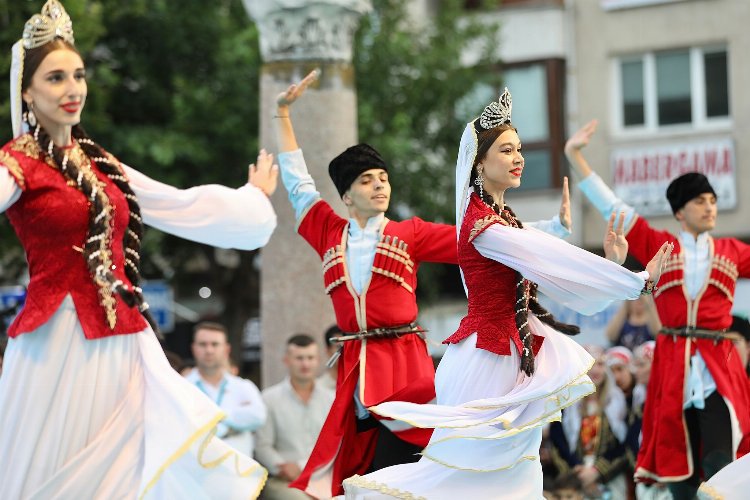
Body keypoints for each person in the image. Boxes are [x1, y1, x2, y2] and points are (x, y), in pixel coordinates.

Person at [0, 2, 277, 497]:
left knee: (135, 467)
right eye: (56, 78)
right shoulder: (18, 163)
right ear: (27, 92)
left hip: (123, 337)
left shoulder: (101, 164)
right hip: (57, 341)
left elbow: (179, 205)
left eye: (79, 75)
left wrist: (250, 201)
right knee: (53, 476)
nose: (73, 89)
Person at [340, 88, 672, 499]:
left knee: (513, 474)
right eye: (506, 150)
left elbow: (547, 261)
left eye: (519, 149)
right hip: (487, 359)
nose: (518, 158)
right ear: (480, 163)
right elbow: (546, 256)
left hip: (512, 356)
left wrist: (613, 267)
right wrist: (634, 280)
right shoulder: (484, 227)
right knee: (467, 474)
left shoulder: (502, 219)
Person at [273, 73, 574, 498]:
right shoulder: (326, 230)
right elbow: (297, 184)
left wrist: (553, 229)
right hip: (356, 370)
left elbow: (476, 238)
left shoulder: (408, 232)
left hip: (405, 367)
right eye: (366, 180)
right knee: (355, 473)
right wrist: (281, 113)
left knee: (416, 470)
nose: (379, 186)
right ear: (345, 196)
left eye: (383, 177)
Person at [565, 119, 750, 498]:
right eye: (700, 201)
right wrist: (574, 156)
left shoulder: (733, 251)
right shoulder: (658, 243)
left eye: (713, 200)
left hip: (720, 359)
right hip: (673, 361)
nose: (710, 207)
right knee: (676, 459)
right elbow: (612, 207)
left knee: (724, 451)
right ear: (680, 211)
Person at [255, 334, 335, 500]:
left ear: (318, 360)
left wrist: (301, 467)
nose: (305, 364)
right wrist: (282, 468)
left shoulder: (332, 399)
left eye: (310, 358)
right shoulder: (269, 398)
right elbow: (262, 445)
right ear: (287, 360)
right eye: (299, 358)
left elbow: (336, 444)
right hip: (284, 481)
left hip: (325, 477)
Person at [550, 345, 629, 499]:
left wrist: (596, 472)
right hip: (574, 479)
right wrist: (578, 472)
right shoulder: (567, 399)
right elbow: (557, 441)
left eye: (600, 364)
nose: (596, 370)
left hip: (610, 479)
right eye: (590, 364)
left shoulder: (617, 400)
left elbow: (624, 444)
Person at [185, 322, 267, 456]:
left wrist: (215, 415)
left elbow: (258, 416)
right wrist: (234, 425)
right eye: (203, 344)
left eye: (215, 344)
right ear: (193, 348)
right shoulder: (182, 387)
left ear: (226, 349)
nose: (209, 350)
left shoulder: (243, 386)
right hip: (196, 472)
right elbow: (183, 426)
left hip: (240, 471)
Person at [318, 324, 343, 391]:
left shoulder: (362, 385)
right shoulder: (319, 387)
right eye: (339, 347)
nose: (345, 352)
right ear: (328, 351)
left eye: (348, 347)